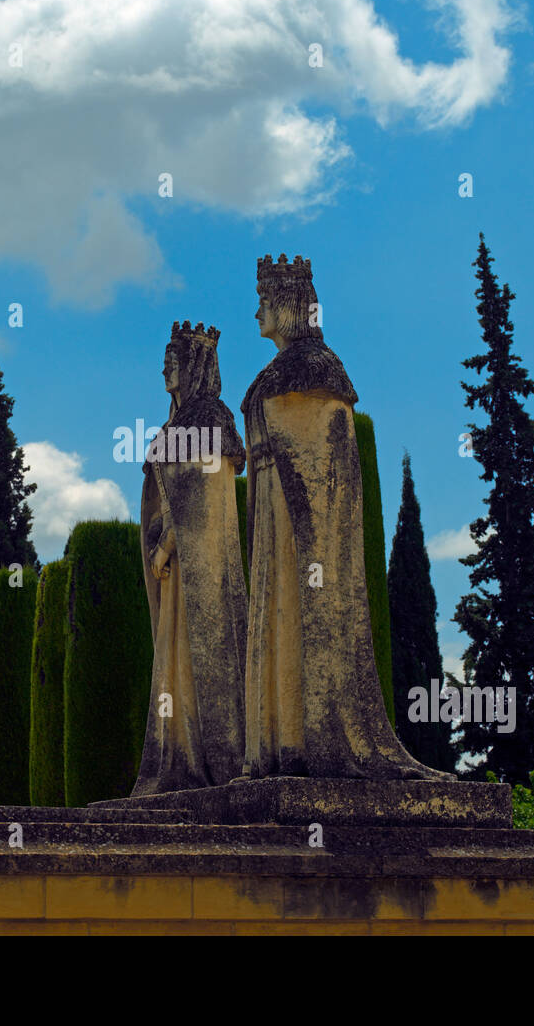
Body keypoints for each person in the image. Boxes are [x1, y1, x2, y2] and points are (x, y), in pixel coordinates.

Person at [239, 255, 452, 781]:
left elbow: (322, 475)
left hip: (297, 534)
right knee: (277, 618)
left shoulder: (316, 371)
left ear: (288, 305)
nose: (257, 312)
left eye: (264, 301)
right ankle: (280, 744)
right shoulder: (280, 373)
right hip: (275, 527)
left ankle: (304, 743)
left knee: (297, 615)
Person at [133, 322, 247, 795]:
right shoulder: (172, 428)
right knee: (173, 661)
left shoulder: (211, 420)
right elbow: (161, 499)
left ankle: (210, 761)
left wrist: (166, 545)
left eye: (173, 360)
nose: (164, 368)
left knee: (204, 658)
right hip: (173, 572)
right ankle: (175, 758)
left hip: (199, 569)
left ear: (195, 365)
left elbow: (203, 500)